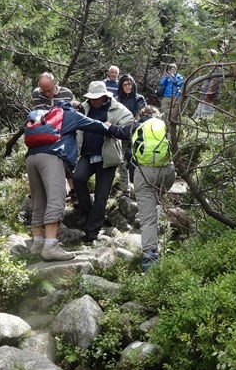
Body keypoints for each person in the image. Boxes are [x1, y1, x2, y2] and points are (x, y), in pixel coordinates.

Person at [23, 100, 116, 261]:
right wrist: (112, 127)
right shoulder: (71, 114)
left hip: (31, 157)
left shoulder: (46, 114)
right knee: (56, 199)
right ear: (76, 108)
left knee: (39, 201)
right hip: (51, 158)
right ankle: (51, 246)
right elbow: (96, 125)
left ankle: (37, 243)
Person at [106, 106, 176, 272]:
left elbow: (118, 131)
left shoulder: (135, 126)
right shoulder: (164, 125)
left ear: (141, 116)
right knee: (155, 201)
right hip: (169, 172)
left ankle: (150, 259)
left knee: (147, 218)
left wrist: (108, 126)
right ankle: (160, 219)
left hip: (145, 173)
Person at [73, 81, 134, 242]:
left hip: (108, 156)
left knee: (101, 195)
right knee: (78, 178)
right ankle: (87, 214)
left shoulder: (117, 108)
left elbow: (130, 125)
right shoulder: (84, 108)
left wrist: (114, 129)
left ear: (105, 96)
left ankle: (92, 230)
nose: (93, 101)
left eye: (97, 98)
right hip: (86, 154)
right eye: (91, 98)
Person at [31, 72, 78, 202]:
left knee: (68, 160)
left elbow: (68, 114)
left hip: (64, 130)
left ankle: (74, 191)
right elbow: (42, 115)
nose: (47, 94)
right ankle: (48, 193)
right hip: (45, 132)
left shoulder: (67, 94)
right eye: (44, 91)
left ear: (55, 83)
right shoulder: (37, 93)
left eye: (50, 90)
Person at [116, 74, 146, 196]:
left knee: (138, 161)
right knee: (121, 162)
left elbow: (143, 116)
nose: (128, 86)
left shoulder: (140, 99)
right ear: (121, 86)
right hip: (122, 134)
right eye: (125, 84)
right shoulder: (117, 100)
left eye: (130, 84)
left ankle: (141, 187)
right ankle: (125, 189)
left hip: (137, 133)